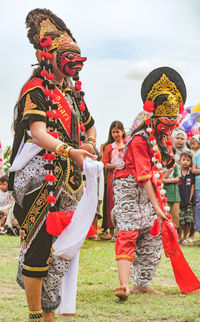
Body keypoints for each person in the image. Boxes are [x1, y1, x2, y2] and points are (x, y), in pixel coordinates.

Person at [8, 9, 96, 322]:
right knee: (40, 247)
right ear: (49, 56)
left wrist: (88, 145)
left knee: (62, 251)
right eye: (66, 55)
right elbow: (37, 132)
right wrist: (67, 149)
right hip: (40, 179)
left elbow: (90, 127)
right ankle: (36, 316)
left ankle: (50, 315)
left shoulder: (73, 93)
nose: (73, 62)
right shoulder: (35, 89)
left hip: (70, 179)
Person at [112, 67, 187, 300]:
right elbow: (143, 176)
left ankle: (141, 284)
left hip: (148, 188)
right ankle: (124, 286)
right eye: (166, 123)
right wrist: (158, 208)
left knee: (153, 234)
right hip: (128, 187)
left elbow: (158, 169)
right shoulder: (138, 139)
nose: (171, 128)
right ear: (154, 118)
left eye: (173, 123)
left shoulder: (161, 137)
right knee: (129, 232)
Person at [102, 121, 125, 240]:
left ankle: (122, 230)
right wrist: (119, 165)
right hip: (113, 177)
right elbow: (105, 164)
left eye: (118, 132)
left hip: (126, 177)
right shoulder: (109, 147)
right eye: (113, 132)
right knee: (111, 202)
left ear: (123, 131)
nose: (116, 134)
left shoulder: (128, 145)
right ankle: (111, 231)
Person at [178, 151, 195, 245]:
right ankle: (179, 237)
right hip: (179, 200)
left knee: (188, 220)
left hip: (188, 201)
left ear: (191, 162)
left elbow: (192, 186)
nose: (185, 162)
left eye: (188, 160)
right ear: (179, 160)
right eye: (183, 160)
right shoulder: (177, 172)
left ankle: (185, 238)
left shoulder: (191, 173)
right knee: (180, 221)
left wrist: (189, 199)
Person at [162, 163, 180, 229]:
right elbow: (160, 180)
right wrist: (169, 171)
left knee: (175, 217)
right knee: (165, 217)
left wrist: (165, 181)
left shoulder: (175, 165)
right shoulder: (159, 165)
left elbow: (177, 179)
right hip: (164, 196)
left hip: (175, 196)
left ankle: (175, 236)